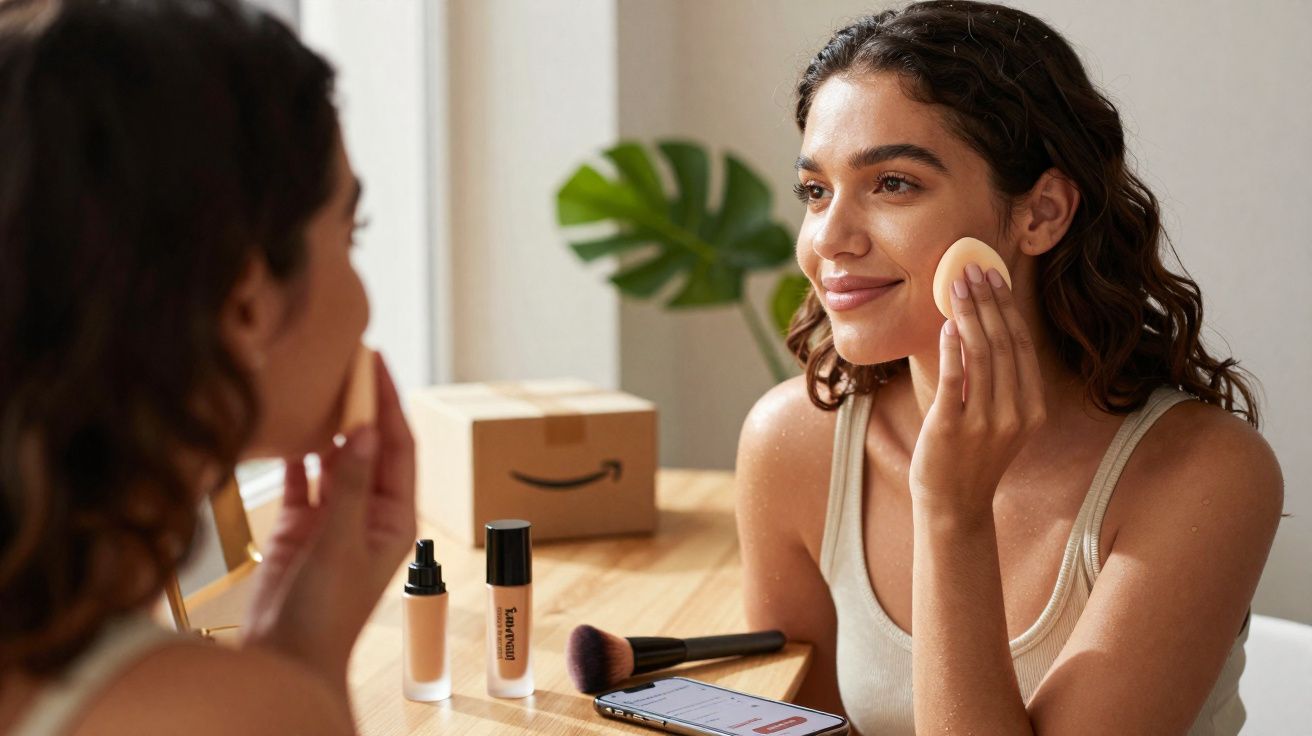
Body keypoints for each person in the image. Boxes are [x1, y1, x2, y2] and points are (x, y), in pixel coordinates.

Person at [735, 2, 1283, 734]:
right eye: (815, 190)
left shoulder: (1202, 476)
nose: (828, 238)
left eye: (893, 184)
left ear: (1041, 214)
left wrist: (953, 512)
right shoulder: (795, 442)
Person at [0, 1, 416, 733]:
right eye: (351, 234)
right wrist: (306, 668)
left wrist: (296, 647)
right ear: (245, 303)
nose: (366, 304)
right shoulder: (232, 714)